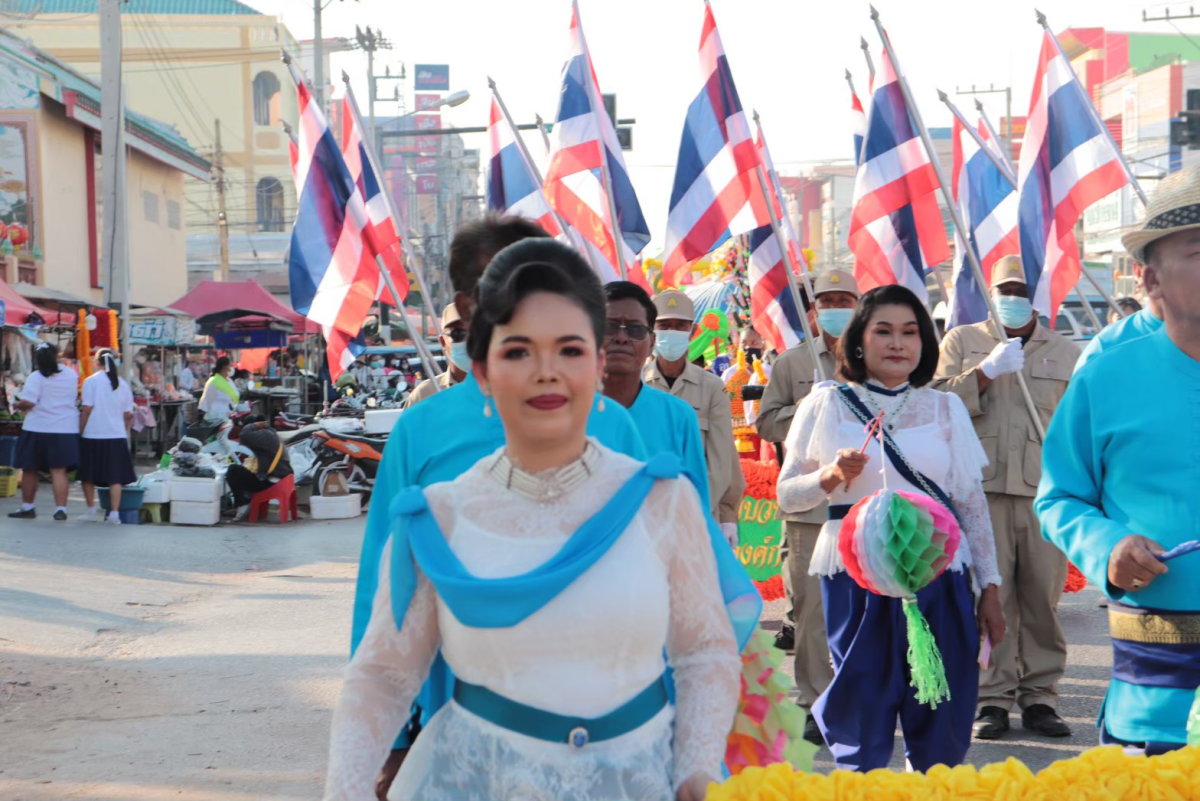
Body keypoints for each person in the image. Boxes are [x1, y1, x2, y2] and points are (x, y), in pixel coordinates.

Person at [324, 238, 755, 801]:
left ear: (599, 364)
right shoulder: (438, 518)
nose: (546, 372)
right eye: (519, 350)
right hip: (476, 780)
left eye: (570, 350)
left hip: (635, 780)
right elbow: (381, 677)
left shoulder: (661, 501)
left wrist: (696, 767)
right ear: (482, 370)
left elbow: (704, 649)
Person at [353, 214, 652, 799]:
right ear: (468, 307)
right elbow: (384, 583)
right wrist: (386, 734)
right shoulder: (423, 430)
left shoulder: (613, 425)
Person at [776, 285, 1004, 771]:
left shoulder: (946, 408)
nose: (898, 342)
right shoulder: (826, 404)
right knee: (861, 704)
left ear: (925, 343)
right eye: (884, 331)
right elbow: (787, 494)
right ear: (858, 341)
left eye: (910, 332)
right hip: (855, 573)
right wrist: (831, 476)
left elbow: (971, 503)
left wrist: (990, 586)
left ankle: (931, 785)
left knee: (940, 704)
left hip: (938, 573)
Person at [1036, 166, 1200, 752]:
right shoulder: (1106, 376)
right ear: (1152, 278)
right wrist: (1110, 547)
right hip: (1155, 698)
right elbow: (1058, 498)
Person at [933, 255, 1079, 741]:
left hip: (1044, 494)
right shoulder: (963, 341)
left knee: (1042, 597)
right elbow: (935, 400)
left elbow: (1078, 426)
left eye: (1021, 289)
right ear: (991, 293)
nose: (1012, 298)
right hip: (981, 490)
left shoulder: (1064, 350)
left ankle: (1040, 696)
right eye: (1005, 289)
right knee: (988, 597)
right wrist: (985, 372)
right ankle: (992, 697)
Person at [755, 267, 860, 741]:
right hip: (809, 507)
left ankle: (861, 694)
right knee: (812, 613)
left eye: (846, 299)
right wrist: (808, 409)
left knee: (866, 611)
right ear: (814, 311)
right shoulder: (792, 363)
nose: (837, 308)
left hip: (864, 506)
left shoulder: (874, 359)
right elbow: (766, 423)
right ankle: (817, 702)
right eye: (828, 300)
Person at [601, 281, 713, 517]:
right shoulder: (564, 413)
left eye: (634, 330)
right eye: (610, 327)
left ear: (652, 342)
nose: (622, 338)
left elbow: (694, 507)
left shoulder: (679, 416)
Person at [644, 289, 744, 535]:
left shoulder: (711, 386)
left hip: (699, 512)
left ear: (693, 330)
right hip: (644, 515)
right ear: (651, 331)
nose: (672, 332)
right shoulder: (635, 385)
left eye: (680, 326)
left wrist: (726, 513)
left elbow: (722, 457)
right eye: (664, 326)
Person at [9, 343, 80, 521]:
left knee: (30, 468)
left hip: (37, 427)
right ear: (57, 355)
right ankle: (61, 509)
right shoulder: (71, 375)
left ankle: (28, 506)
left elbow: (29, 403)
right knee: (58, 470)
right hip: (64, 428)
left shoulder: (36, 377)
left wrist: (17, 404)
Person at [78, 349, 136, 524]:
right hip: (116, 435)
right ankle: (114, 514)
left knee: (87, 475)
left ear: (96, 362)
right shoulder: (123, 384)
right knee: (114, 477)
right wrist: (123, 431)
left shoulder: (90, 382)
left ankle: (90, 510)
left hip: (92, 434)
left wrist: (80, 431)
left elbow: (86, 410)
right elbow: (128, 415)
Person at [1076, 276, 1163, 372]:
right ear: (1109, 320)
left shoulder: (1153, 350)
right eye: (1120, 319)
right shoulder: (1101, 347)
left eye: (1131, 319)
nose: (1126, 324)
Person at [224, 419, 292, 520]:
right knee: (243, 471)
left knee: (233, 470)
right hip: (280, 478)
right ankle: (243, 503)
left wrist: (253, 425)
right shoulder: (272, 436)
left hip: (271, 482)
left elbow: (244, 435)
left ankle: (242, 504)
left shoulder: (265, 436)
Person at [405, 304, 469, 408]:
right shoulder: (424, 395)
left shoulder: (502, 392)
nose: (469, 341)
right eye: (459, 334)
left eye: (477, 333)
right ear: (443, 342)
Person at [197, 356, 238, 423]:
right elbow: (207, 400)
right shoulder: (214, 381)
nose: (232, 368)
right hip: (215, 417)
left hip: (226, 414)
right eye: (230, 366)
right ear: (224, 367)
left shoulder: (229, 380)